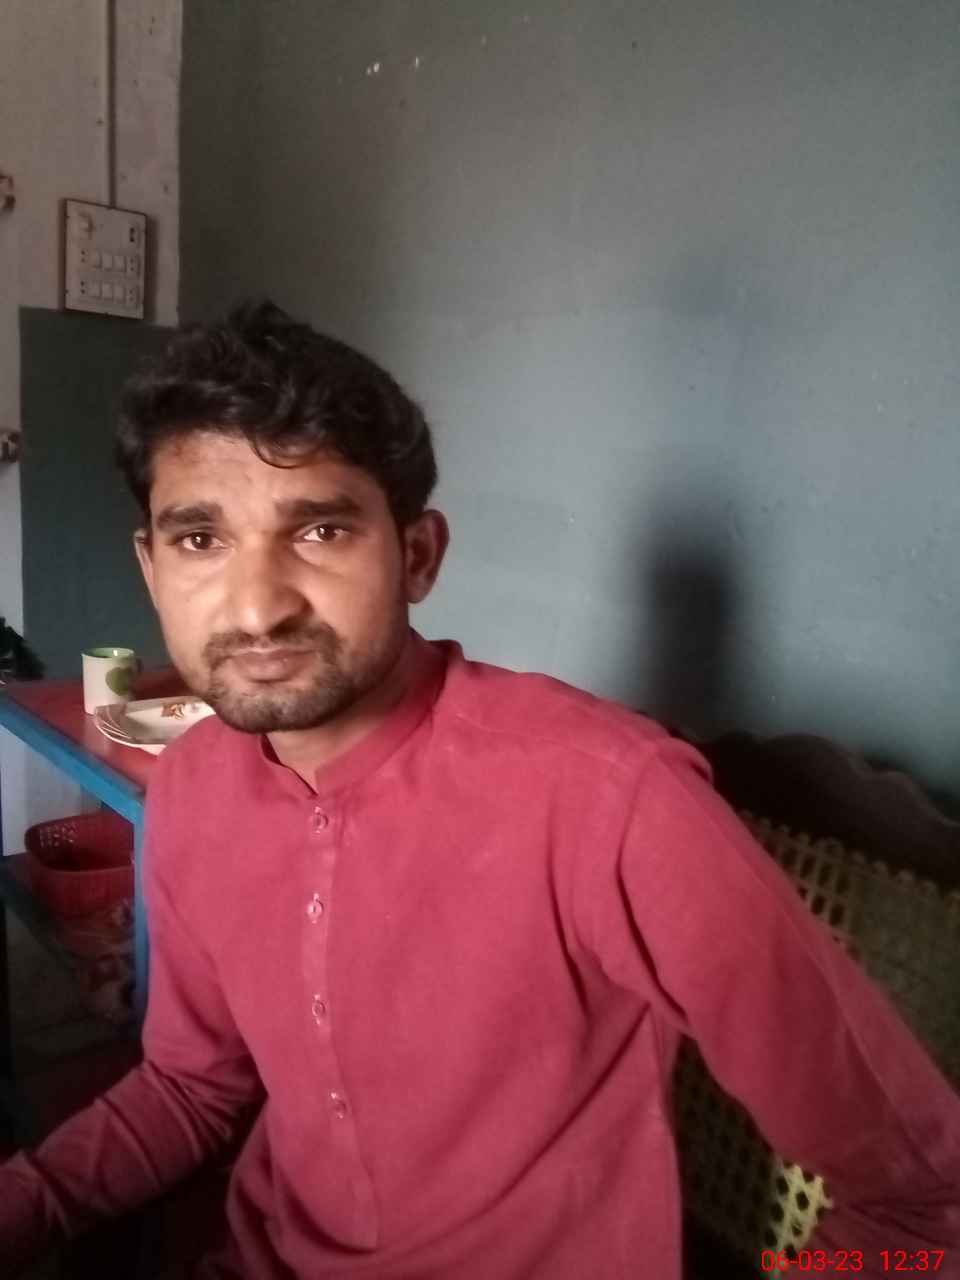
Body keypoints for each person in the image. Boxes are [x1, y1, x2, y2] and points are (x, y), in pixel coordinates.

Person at [0, 301, 957, 1279]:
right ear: (151, 566)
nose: (256, 605)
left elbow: (931, 1207)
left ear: (416, 555)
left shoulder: (614, 803)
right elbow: (190, 1088)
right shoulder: (195, 789)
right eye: (200, 540)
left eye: (321, 528)